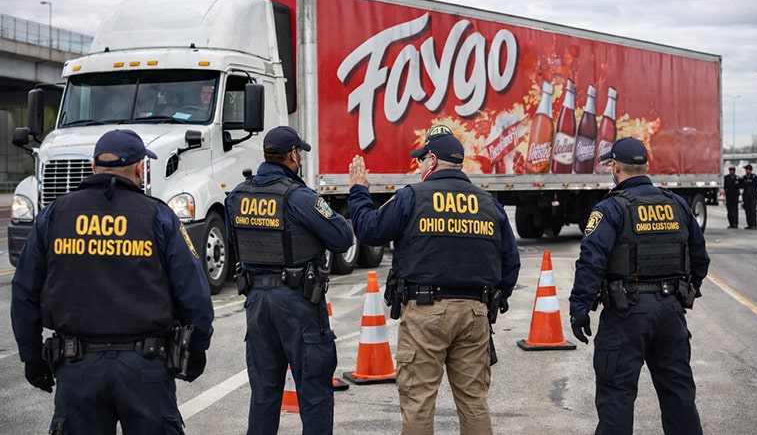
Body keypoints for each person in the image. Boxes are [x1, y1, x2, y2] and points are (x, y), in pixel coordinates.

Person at [11, 129, 214, 434]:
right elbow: (194, 293)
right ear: (139, 169)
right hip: (146, 370)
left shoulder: (54, 215)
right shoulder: (159, 217)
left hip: (77, 370)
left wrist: (31, 356)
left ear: (93, 166)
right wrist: (197, 349)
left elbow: (25, 290)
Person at [347, 124, 521, 435]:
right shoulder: (487, 203)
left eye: (419, 160)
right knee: (473, 401)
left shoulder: (412, 196)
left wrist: (359, 189)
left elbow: (369, 230)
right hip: (475, 314)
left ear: (432, 160)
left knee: (418, 402)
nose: (418, 166)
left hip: (425, 312)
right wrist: (495, 299)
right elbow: (511, 262)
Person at [568, 137, 710, 435]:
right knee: (678, 394)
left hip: (626, 314)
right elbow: (700, 257)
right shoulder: (677, 204)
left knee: (616, 395)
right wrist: (687, 290)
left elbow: (591, 262)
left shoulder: (610, 209)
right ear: (647, 166)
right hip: (671, 312)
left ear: (616, 167)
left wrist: (580, 307)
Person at [225, 125, 353, 435]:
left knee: (265, 394)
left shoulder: (237, 196)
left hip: (257, 304)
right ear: (293, 155)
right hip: (298, 304)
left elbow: (235, 243)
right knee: (314, 392)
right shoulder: (298, 197)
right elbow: (342, 237)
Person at [741, 163, 757, 229]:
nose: (746, 171)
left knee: (753, 210)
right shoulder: (744, 178)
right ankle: (749, 224)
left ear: (750, 170)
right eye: (746, 170)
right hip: (746, 196)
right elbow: (740, 186)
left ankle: (754, 224)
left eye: (747, 170)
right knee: (747, 211)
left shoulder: (754, 177)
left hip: (753, 196)